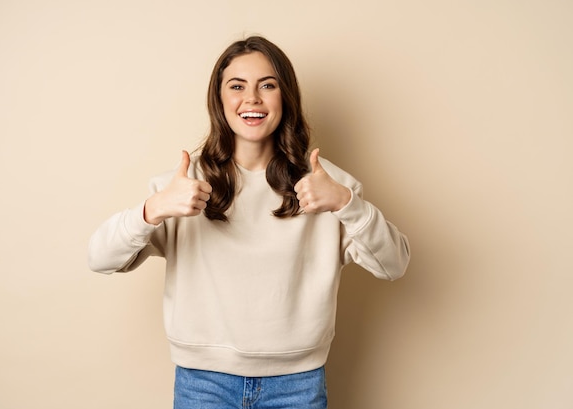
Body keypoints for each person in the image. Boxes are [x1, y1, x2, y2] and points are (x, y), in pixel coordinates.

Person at [88, 36, 410, 409]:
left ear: (285, 97)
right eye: (237, 86)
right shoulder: (181, 186)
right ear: (219, 99)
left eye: (267, 85)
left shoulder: (328, 185)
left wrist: (346, 203)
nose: (252, 99)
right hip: (202, 384)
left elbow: (395, 264)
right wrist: (154, 208)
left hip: (297, 385)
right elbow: (99, 258)